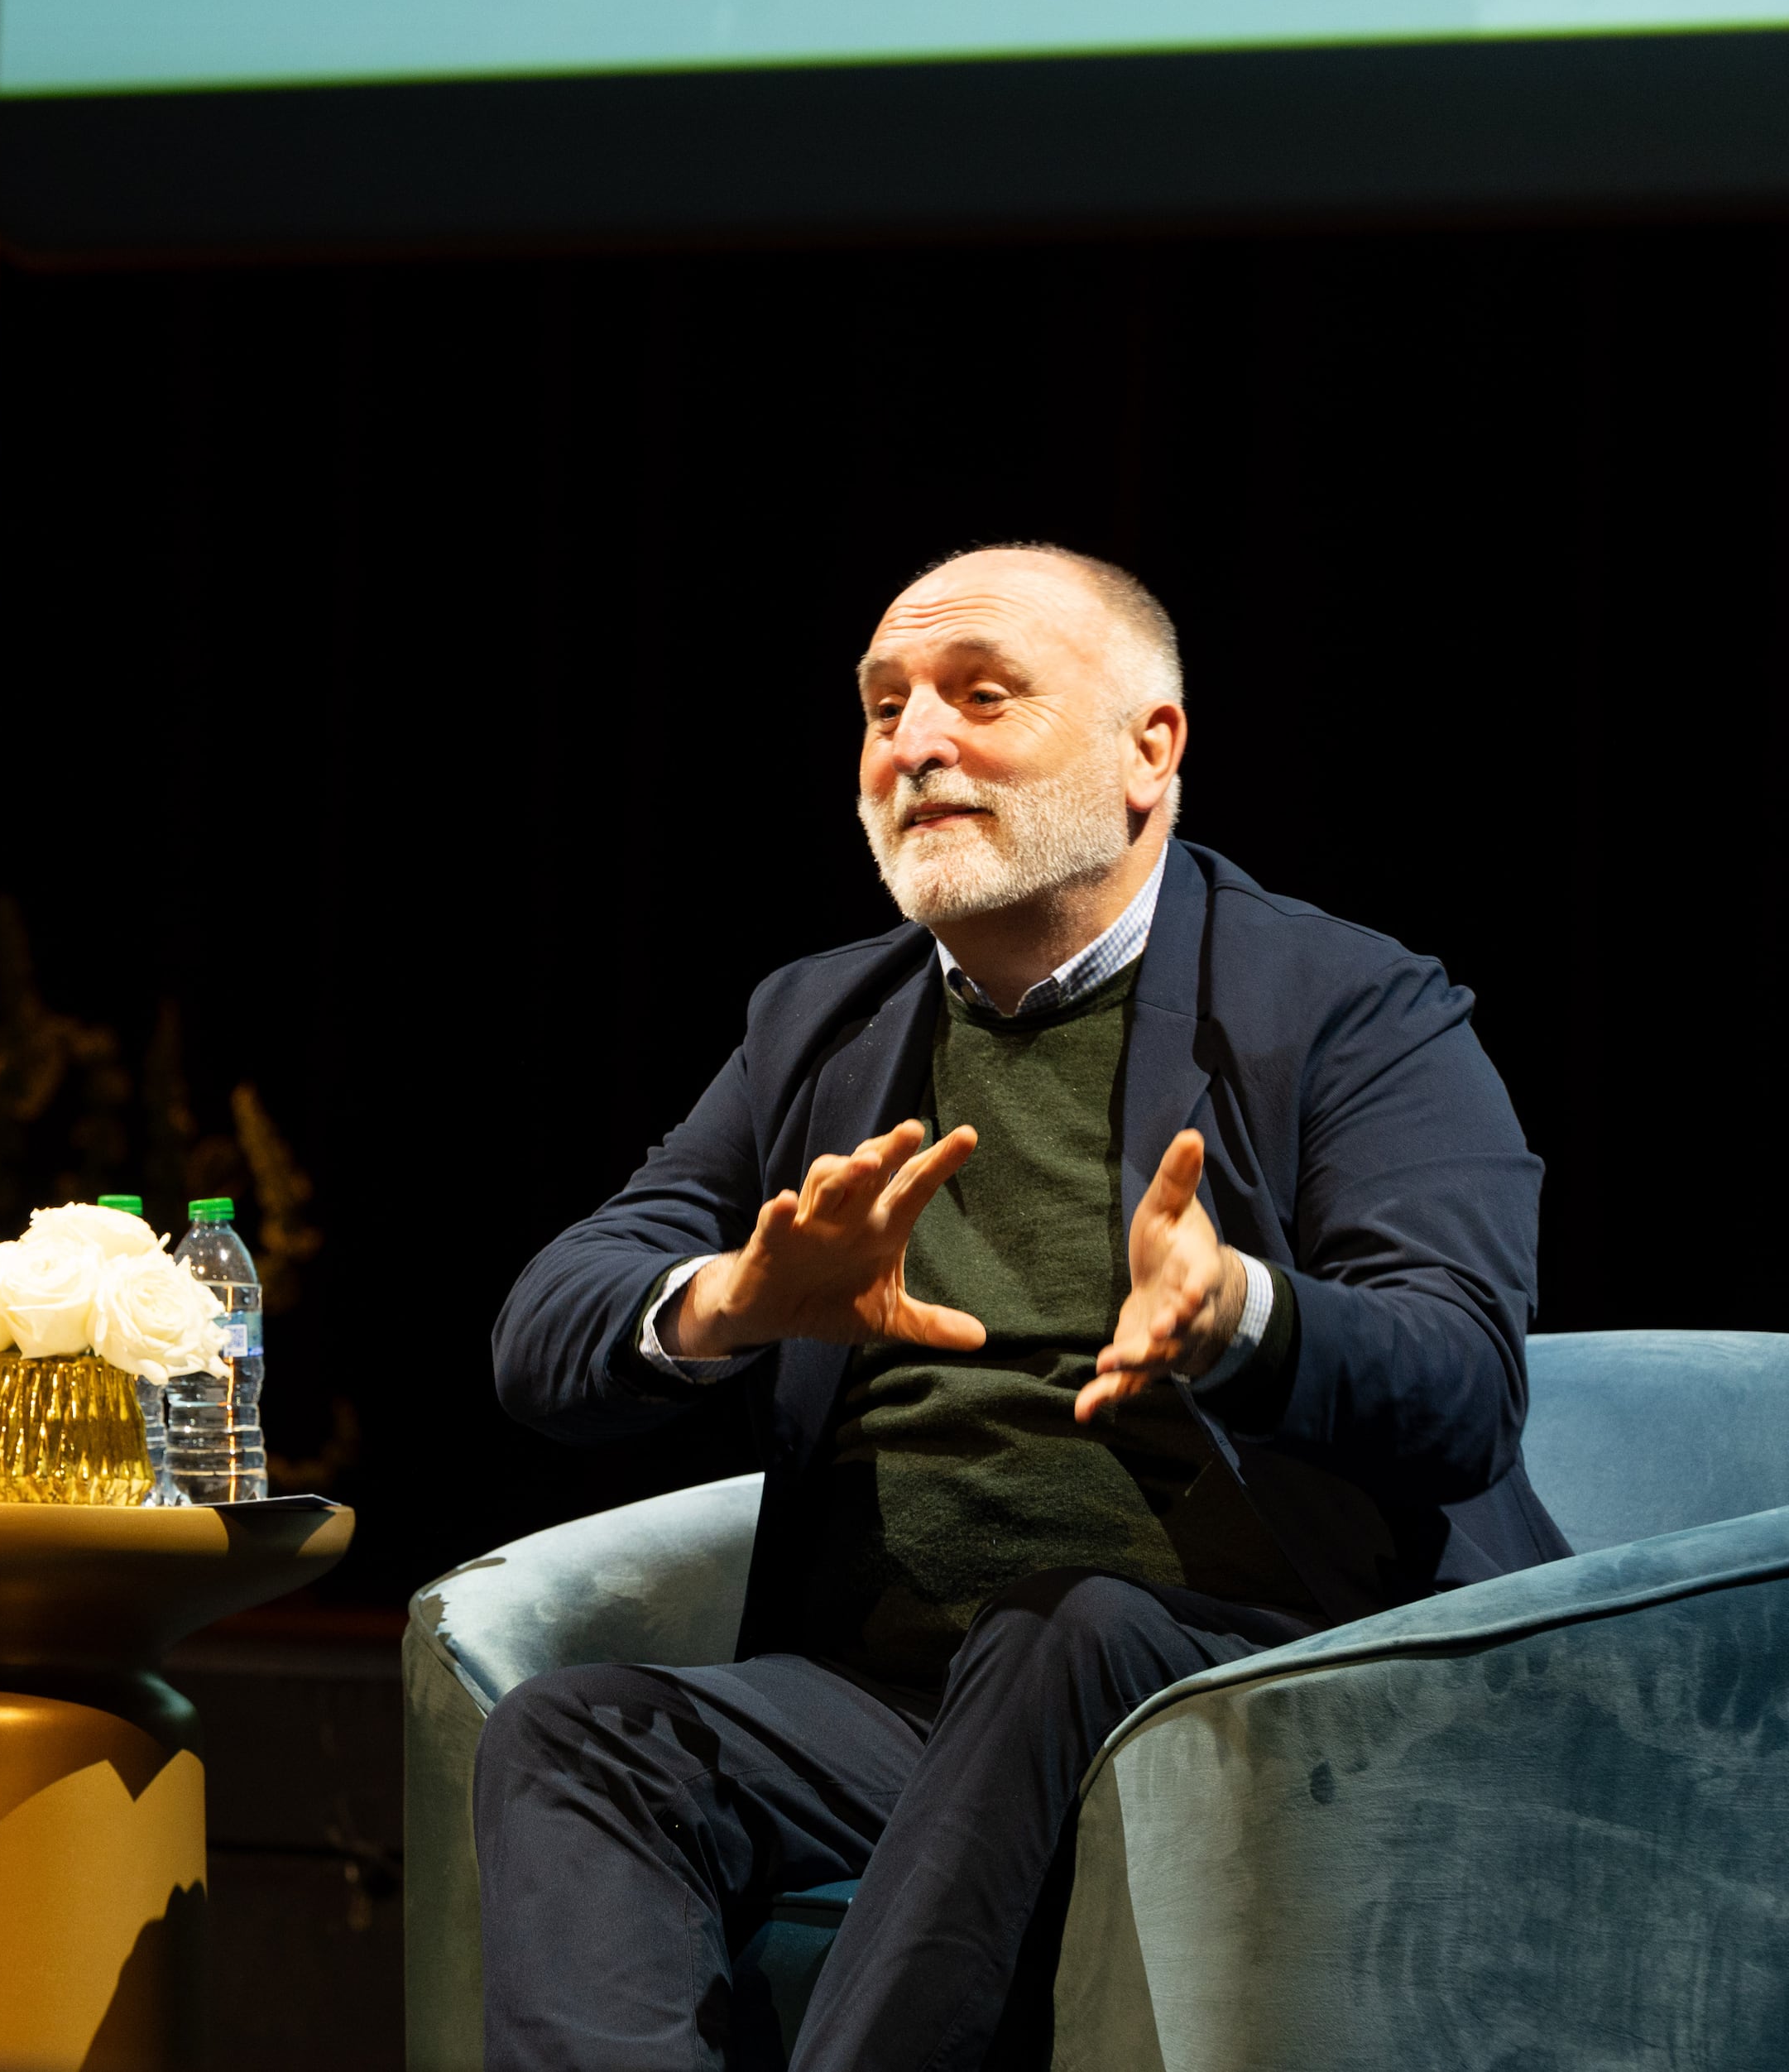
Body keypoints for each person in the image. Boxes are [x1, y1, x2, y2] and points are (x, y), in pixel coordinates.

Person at [479, 545, 1566, 2071]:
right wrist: (731, 1298)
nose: (914, 742)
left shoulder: (1353, 1005)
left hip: (1258, 1686)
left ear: (1150, 749)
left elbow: (1461, 1383)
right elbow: (547, 1333)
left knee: (1067, 1625)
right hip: (895, 1706)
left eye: (980, 696)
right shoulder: (820, 1024)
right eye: (881, 709)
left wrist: (1241, 1315)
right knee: (579, 1733)